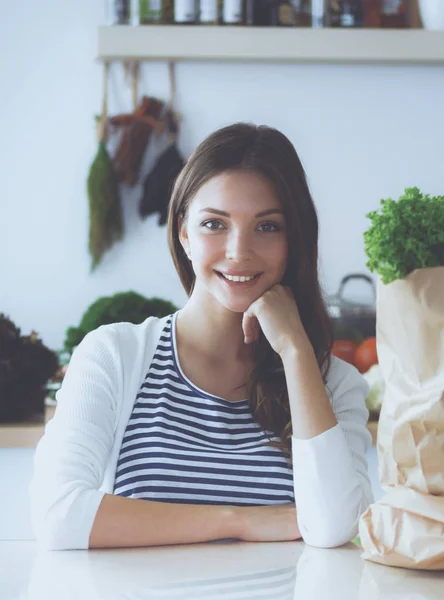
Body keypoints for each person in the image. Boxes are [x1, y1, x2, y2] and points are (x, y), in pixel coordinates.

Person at [30, 123, 373, 551]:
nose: (238, 251)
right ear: (184, 233)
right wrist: (240, 521)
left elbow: (336, 527)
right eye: (215, 224)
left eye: (267, 227)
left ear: (294, 239)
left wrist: (295, 350)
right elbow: (58, 514)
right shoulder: (113, 355)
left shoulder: (332, 382)